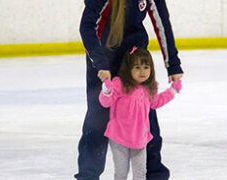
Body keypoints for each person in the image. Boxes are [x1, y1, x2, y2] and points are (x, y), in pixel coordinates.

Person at [75, 0, 183, 179]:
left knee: (145, 116)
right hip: (104, 60)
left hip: (135, 59)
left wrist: (173, 63)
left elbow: (161, 21)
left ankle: (154, 173)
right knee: (98, 119)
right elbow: (87, 26)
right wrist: (100, 63)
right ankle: (88, 175)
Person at [98, 47, 182, 180]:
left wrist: (172, 91)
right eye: (137, 67)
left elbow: (156, 102)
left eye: (146, 67)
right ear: (129, 69)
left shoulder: (150, 88)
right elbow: (105, 102)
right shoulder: (119, 84)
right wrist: (106, 90)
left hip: (140, 139)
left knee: (140, 174)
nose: (142, 71)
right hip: (119, 137)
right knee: (121, 173)